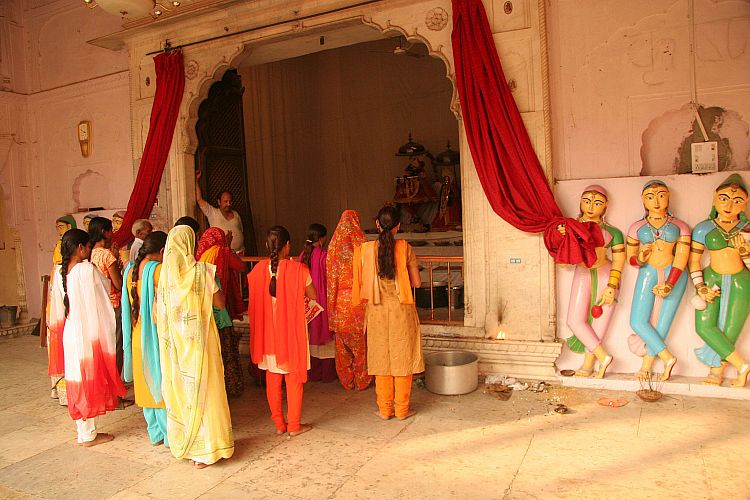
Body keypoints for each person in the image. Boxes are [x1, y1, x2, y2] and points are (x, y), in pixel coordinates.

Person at [156, 225, 234, 468]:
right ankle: (208, 450)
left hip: (177, 348)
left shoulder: (165, 279)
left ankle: (190, 446)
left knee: (185, 392)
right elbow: (220, 304)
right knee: (208, 390)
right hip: (202, 342)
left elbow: (158, 317)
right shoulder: (202, 272)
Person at [49, 229, 126, 446]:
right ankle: (89, 434)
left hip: (71, 332)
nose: (90, 251)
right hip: (87, 334)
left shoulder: (59, 272)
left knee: (77, 379)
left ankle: (83, 432)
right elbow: (105, 289)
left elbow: (58, 307)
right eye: (89, 247)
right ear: (81, 247)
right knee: (88, 380)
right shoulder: (86, 270)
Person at [353, 206, 423, 420]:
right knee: (403, 357)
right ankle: (402, 410)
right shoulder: (405, 248)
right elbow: (417, 283)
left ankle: (384, 410)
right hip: (401, 310)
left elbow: (360, 283)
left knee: (380, 357)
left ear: (377, 224)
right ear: (398, 226)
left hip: (377, 311)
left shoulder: (364, 250)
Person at [248, 225, 316, 436]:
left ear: (267, 245)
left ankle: (279, 424)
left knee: (273, 378)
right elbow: (313, 296)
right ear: (288, 245)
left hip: (267, 336)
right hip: (291, 334)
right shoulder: (299, 270)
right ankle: (294, 426)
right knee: (293, 379)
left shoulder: (257, 271)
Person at [688, 174, 750, 387]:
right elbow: (694, 260)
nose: (729, 205)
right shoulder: (703, 228)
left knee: (731, 329)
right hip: (711, 278)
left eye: (737, 200)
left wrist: (745, 252)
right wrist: (700, 287)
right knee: (703, 326)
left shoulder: (747, 229)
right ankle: (743, 365)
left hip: (741, 281)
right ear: (714, 199)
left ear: (745, 204)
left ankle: (717, 371)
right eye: (724, 198)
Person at [557, 186, 625, 378]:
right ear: (580, 203)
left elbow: (619, 260)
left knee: (599, 319)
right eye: (586, 201)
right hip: (582, 272)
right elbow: (563, 260)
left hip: (606, 275)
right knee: (574, 320)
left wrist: (612, 286)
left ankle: (588, 364)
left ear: (605, 206)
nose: (591, 206)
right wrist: (563, 238)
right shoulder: (571, 227)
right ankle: (603, 356)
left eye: (597, 202)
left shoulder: (613, 232)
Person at [626, 180, 690, 381]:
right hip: (648, 271)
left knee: (662, 322)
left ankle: (647, 365)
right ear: (643, 200)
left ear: (668, 197)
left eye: (661, 195)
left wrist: (670, 283)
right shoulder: (636, 227)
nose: (656, 201)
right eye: (650, 196)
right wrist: (640, 258)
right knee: (637, 321)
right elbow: (630, 259)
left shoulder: (680, 226)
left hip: (675, 273)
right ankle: (667, 357)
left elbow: (682, 256)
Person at [122, 231, 169, 447]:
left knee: (144, 382)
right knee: (160, 379)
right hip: (155, 333)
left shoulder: (129, 270)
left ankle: (155, 432)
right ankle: (169, 433)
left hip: (137, 332)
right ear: (162, 250)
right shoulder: (158, 271)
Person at [196, 228, 246, 397]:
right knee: (226, 348)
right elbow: (241, 266)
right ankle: (230, 387)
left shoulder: (200, 256)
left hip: (204, 310)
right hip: (220, 305)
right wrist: (228, 247)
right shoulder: (222, 252)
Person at [327, 210, 372, 390]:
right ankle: (362, 381)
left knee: (341, 346)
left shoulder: (333, 247)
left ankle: (347, 381)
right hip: (360, 301)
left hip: (340, 302)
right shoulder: (363, 244)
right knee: (361, 345)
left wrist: (331, 308)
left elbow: (331, 281)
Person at [89, 217, 127, 381]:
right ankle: (115, 382)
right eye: (111, 229)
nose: (113, 233)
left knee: (103, 344)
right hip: (113, 303)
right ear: (104, 232)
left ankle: (105, 380)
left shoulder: (90, 253)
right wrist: (118, 262)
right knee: (116, 344)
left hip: (98, 304)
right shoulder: (107, 255)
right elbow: (118, 284)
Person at [300, 223, 336, 383]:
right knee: (326, 337)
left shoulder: (303, 255)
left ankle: (314, 373)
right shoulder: (324, 255)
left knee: (311, 337)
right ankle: (327, 374)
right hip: (323, 302)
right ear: (322, 238)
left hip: (308, 303)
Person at [48, 214, 76, 404]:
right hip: (62, 315)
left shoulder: (67, 271)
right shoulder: (63, 271)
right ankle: (63, 391)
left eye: (62, 226)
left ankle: (64, 392)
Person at [195, 170, 244, 254]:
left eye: (230, 201)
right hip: (222, 254)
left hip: (240, 253)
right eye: (225, 201)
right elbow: (199, 199)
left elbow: (241, 231)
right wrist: (196, 181)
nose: (228, 204)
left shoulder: (236, 214)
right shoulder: (212, 213)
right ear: (219, 202)